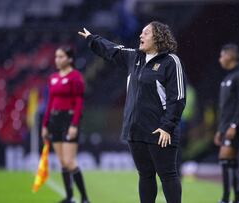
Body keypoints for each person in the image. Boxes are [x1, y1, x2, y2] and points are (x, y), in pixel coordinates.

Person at [78, 21, 186, 203]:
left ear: (158, 37)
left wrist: (167, 127)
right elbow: (112, 50)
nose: (140, 36)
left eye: (145, 33)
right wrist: (92, 39)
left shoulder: (171, 62)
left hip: (160, 131)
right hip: (135, 130)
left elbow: (178, 98)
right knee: (145, 175)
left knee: (167, 175)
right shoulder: (134, 57)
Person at [41, 46, 90, 203]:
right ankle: (69, 197)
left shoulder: (76, 77)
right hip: (55, 120)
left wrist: (74, 124)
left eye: (61, 56)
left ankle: (84, 198)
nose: (57, 59)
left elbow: (79, 102)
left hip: (69, 120)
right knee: (62, 162)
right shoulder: (53, 77)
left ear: (70, 59)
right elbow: (50, 102)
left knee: (70, 161)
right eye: (56, 56)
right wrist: (45, 124)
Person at [214, 43, 239, 203]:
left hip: (235, 125)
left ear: (230, 56)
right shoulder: (229, 77)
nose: (220, 59)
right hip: (226, 126)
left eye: (222, 56)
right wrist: (220, 129)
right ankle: (237, 198)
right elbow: (226, 107)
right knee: (230, 160)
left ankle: (226, 198)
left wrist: (234, 125)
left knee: (225, 158)